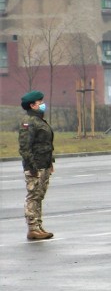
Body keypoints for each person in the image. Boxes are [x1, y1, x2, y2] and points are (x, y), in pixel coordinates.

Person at [18, 90, 55, 240]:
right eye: (40, 102)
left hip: (43, 164)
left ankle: (38, 226)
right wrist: (32, 167)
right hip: (35, 166)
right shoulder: (29, 121)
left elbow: (46, 144)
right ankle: (32, 227)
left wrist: (50, 162)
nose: (42, 104)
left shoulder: (39, 120)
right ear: (32, 105)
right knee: (33, 197)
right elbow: (25, 147)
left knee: (39, 196)